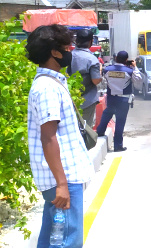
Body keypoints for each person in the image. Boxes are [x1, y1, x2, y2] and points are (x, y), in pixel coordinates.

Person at [26, 24, 94, 248]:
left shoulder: (52, 82)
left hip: (62, 176)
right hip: (63, 178)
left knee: (53, 238)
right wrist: (62, 184)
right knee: (67, 241)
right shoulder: (47, 88)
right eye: (67, 47)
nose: (70, 51)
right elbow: (48, 137)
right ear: (54, 52)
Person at [96, 51, 142, 152]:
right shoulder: (129, 71)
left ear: (116, 58)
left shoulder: (107, 69)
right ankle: (118, 146)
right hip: (123, 99)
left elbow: (103, 82)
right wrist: (135, 67)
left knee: (107, 113)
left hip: (111, 98)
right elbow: (138, 81)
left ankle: (100, 131)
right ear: (126, 60)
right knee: (120, 121)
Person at [69, 29, 102, 129]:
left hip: (69, 99)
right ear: (91, 42)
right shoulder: (92, 59)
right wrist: (100, 70)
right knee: (85, 130)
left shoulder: (68, 56)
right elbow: (95, 80)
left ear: (76, 41)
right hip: (86, 101)